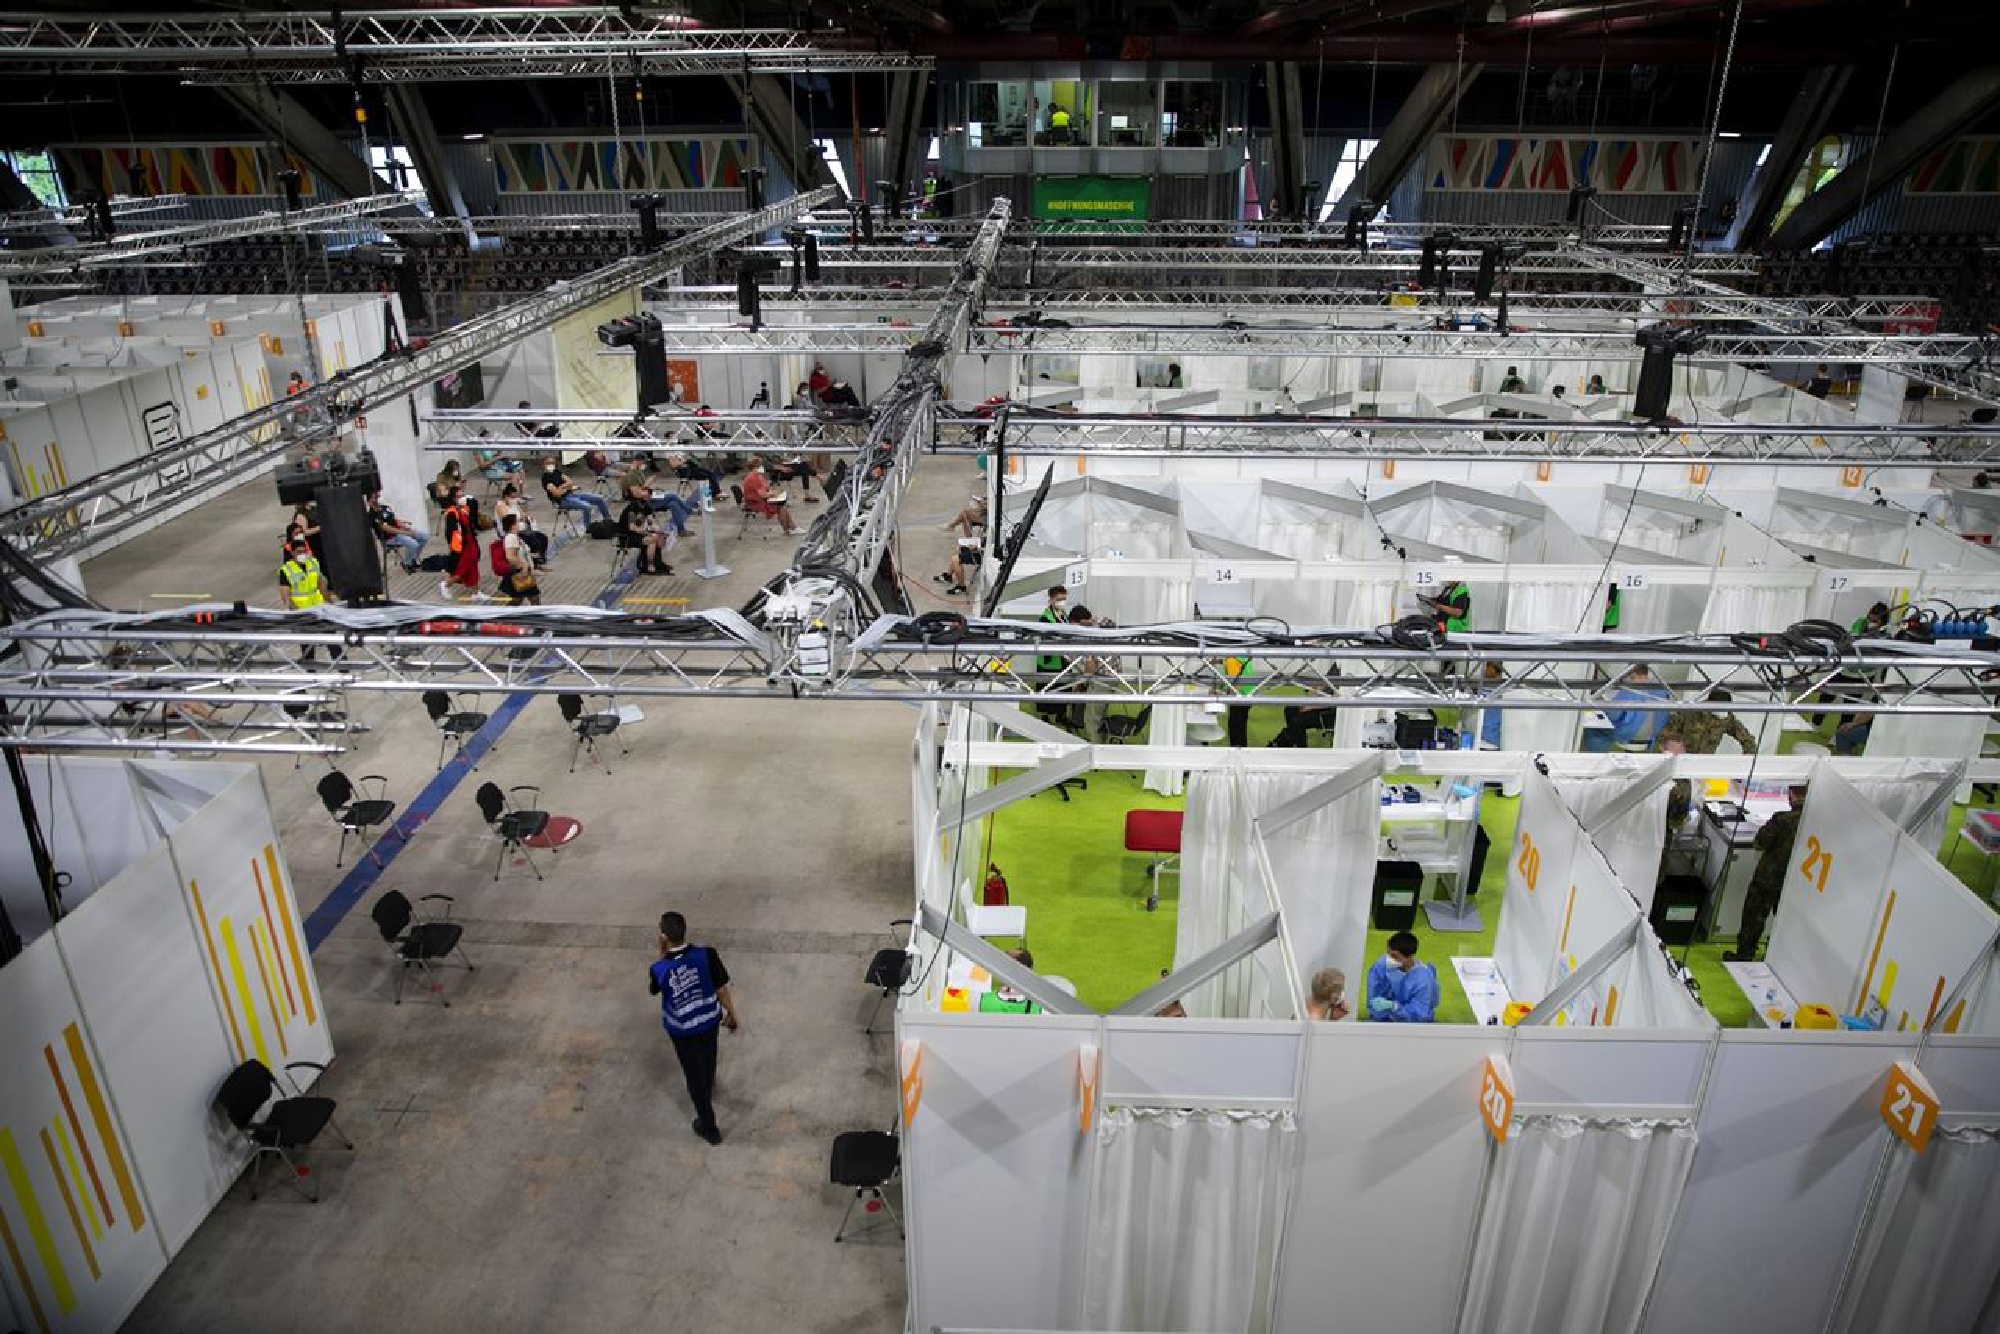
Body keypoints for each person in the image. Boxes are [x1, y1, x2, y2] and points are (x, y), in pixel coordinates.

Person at [648, 911, 739, 1146]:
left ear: (664, 935)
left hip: (683, 1031)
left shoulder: (659, 968)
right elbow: (721, 988)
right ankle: (709, 1080)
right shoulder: (707, 955)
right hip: (709, 1021)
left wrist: (662, 952)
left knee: (693, 1080)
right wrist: (731, 1013)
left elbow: (655, 989)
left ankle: (709, 1129)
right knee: (709, 1056)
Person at [1727, 786, 1806, 962]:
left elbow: (1760, 842)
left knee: (1753, 917)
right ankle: (1775, 958)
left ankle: (1745, 955)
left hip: (1768, 878)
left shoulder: (1781, 819)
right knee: (1784, 922)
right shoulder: (1814, 821)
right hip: (1795, 882)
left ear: (1791, 795)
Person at [1366, 932, 1439, 1023]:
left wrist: (1394, 1007)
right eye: (1388, 953)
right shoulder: (1381, 965)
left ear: (1408, 957)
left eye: (1394, 956)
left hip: (1412, 1023)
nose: (1389, 959)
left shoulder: (1423, 980)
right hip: (1385, 1017)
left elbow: (1419, 1014)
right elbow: (1373, 997)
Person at [1596, 664, 1672, 751]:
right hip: (1650, 738)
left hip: (1626, 737)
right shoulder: (1661, 690)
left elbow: (1614, 714)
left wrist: (1603, 707)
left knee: (1595, 729)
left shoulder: (1629, 689)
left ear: (1632, 673)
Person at [538, 454, 612, 525]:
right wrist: (567, 487)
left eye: (552, 463)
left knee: (599, 499)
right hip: (562, 500)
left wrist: (562, 487)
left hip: (572, 494)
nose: (551, 465)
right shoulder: (546, 479)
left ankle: (608, 520)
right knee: (587, 506)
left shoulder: (557, 472)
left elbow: (570, 482)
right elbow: (557, 493)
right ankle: (588, 527)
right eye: (548, 463)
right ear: (543, 465)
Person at [367, 491, 428, 573]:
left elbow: (394, 520)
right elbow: (386, 528)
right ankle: (407, 564)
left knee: (424, 537)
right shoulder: (372, 515)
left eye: (376, 497)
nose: (376, 500)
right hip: (389, 538)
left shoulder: (385, 507)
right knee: (413, 543)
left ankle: (412, 559)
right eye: (373, 499)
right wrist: (405, 533)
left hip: (398, 533)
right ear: (369, 501)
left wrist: (406, 528)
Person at [441, 485, 481, 598]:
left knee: (473, 567)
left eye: (462, 495)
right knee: (463, 569)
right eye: (459, 496)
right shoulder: (451, 512)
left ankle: (476, 592)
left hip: (470, 540)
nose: (462, 498)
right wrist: (455, 547)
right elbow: (450, 532)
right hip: (462, 545)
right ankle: (446, 584)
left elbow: (473, 521)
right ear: (454, 499)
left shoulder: (465, 509)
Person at [619, 492, 674, 575]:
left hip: (640, 533)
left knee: (660, 538)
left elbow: (651, 520)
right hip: (628, 536)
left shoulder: (646, 507)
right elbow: (632, 527)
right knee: (652, 539)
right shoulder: (631, 509)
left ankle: (658, 563)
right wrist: (647, 533)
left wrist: (656, 529)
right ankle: (649, 565)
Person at [495, 483, 549, 566]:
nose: (514, 499)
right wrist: (520, 520)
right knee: (533, 541)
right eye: (512, 497)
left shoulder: (514, 504)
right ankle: (534, 561)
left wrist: (527, 518)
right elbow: (508, 520)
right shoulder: (500, 506)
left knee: (543, 537)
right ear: (506, 497)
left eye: (515, 497)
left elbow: (523, 515)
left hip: (521, 528)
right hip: (510, 530)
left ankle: (540, 558)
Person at [739, 457, 796, 535]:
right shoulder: (753, 478)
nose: (762, 467)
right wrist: (774, 494)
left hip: (759, 500)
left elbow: (767, 488)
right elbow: (763, 495)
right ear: (756, 467)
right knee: (781, 507)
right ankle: (788, 530)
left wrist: (775, 491)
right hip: (755, 503)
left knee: (782, 504)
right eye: (761, 465)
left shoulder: (758, 476)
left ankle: (792, 527)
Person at [496, 513, 541, 605]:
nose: (520, 524)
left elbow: (520, 553)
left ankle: (507, 616)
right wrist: (524, 565)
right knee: (534, 597)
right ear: (512, 525)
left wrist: (531, 556)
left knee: (517, 599)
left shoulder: (515, 537)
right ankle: (536, 616)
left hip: (520, 572)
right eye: (517, 522)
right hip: (519, 573)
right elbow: (510, 556)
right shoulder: (511, 538)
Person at [279, 537, 326, 611]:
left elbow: (321, 584)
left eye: (304, 551)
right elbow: (286, 597)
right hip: (301, 610)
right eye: (299, 552)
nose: (302, 554)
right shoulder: (286, 570)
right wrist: (297, 613)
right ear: (292, 552)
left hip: (319, 607)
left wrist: (328, 602)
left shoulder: (313, 562)